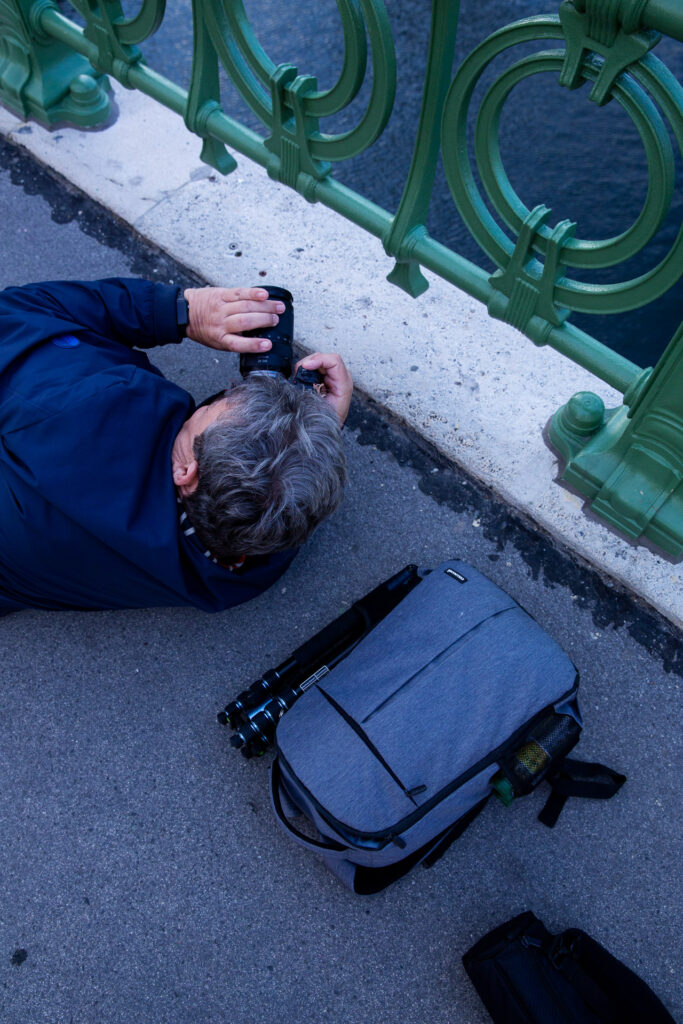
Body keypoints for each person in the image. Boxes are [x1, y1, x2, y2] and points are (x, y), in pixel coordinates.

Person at [0, 278, 352, 614]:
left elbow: (15, 311)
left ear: (187, 472)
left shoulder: (79, 410)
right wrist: (317, 436)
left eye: (224, 400)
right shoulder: (237, 573)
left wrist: (181, 312)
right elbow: (286, 510)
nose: (231, 392)